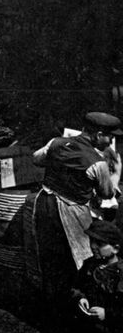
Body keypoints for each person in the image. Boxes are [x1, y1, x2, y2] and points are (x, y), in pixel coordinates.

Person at [32, 112, 121, 306]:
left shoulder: (56, 142)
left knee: (49, 256)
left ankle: (51, 300)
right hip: (71, 212)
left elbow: (36, 159)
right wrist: (117, 173)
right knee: (74, 259)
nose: (111, 142)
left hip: (45, 204)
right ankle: (71, 303)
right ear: (98, 135)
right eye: (110, 137)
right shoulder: (98, 164)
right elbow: (106, 194)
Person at [71, 219, 123, 333]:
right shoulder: (90, 264)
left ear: (116, 249)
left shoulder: (120, 273)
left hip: (113, 331)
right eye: (91, 241)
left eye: (99, 244)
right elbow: (76, 285)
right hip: (88, 326)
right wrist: (80, 297)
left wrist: (107, 314)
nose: (93, 246)